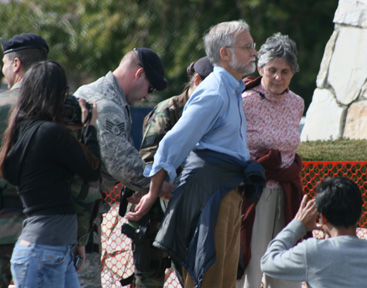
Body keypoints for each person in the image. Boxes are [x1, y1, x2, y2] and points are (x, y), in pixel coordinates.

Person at [126, 20, 265, 288]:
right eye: (248, 47)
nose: (254, 52)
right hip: (210, 195)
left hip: (225, 191)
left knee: (224, 280)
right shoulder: (214, 91)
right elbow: (171, 145)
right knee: (208, 278)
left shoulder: (232, 89)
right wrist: (153, 193)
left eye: (253, 46)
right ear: (225, 53)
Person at [0, 60, 101, 287]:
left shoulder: (24, 133)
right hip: (43, 253)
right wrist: (91, 127)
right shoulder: (50, 134)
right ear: (53, 94)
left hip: (49, 251)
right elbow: (92, 170)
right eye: (63, 92)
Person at [73, 47, 168, 287]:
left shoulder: (92, 91)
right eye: (151, 87)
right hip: (78, 214)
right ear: (139, 73)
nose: (148, 96)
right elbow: (123, 165)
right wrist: (160, 187)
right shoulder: (107, 104)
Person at [128, 56, 213, 288]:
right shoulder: (169, 111)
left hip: (186, 213)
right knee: (149, 281)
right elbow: (148, 164)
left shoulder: (211, 113)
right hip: (154, 213)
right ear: (197, 80)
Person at [237, 32, 305, 288]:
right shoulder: (244, 101)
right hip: (254, 193)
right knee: (251, 263)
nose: (278, 77)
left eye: (285, 71)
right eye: (272, 70)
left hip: (288, 194)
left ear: (293, 73)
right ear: (260, 68)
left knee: (286, 265)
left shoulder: (297, 103)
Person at [0, 33, 49, 287]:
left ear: (16, 65)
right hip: (48, 232)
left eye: (4, 63)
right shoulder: (67, 107)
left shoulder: (1, 105)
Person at [261, 177, 367, 288]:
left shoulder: (312, 252)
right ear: (359, 214)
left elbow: (268, 262)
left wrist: (297, 225)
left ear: (323, 217)